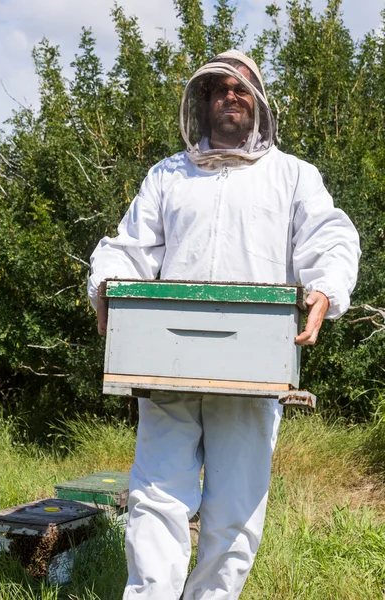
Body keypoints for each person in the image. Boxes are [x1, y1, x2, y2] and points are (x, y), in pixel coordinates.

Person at [87, 50, 360, 600]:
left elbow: (330, 237)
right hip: (166, 366)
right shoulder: (168, 174)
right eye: (218, 90)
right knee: (156, 498)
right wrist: (107, 287)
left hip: (253, 371)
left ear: (257, 103)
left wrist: (326, 289)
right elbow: (128, 246)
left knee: (235, 510)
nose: (230, 97)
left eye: (240, 89)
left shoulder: (293, 176)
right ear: (202, 103)